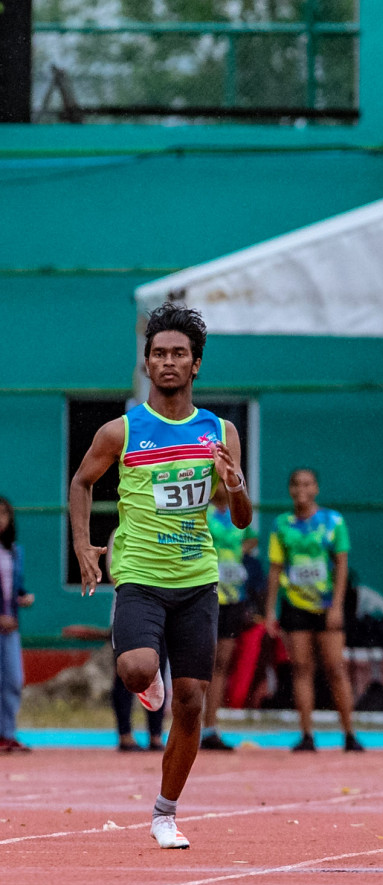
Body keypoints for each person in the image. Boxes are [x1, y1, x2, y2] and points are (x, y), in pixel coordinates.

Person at [69, 303, 253, 849]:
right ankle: (150, 681)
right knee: (134, 670)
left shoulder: (219, 431)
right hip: (140, 576)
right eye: (158, 353)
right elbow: (82, 483)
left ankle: (165, 813)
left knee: (193, 702)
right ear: (147, 363)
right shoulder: (121, 431)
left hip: (197, 578)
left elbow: (241, 519)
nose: (168, 362)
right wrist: (84, 545)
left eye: (179, 354)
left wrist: (235, 484)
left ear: (196, 365)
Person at [263, 468, 363, 753]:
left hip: (327, 604)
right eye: (295, 484)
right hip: (295, 605)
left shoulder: (333, 521)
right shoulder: (282, 524)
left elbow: (342, 564)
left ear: (316, 488)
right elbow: (275, 568)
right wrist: (270, 610)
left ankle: (349, 734)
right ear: (289, 489)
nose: (301, 489)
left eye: (307, 484)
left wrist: (337, 606)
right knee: (301, 668)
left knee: (335, 668)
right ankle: (307, 734)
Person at [204, 485, 258, 751]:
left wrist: (237, 557)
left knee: (222, 662)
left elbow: (252, 537)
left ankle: (210, 727)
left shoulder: (237, 512)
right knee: (202, 661)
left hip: (233, 597)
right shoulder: (201, 510)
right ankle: (191, 723)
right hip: (205, 594)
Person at [0, 496, 35, 752]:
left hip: (11, 626)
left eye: (4, 514)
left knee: (13, 679)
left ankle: (7, 733)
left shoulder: (14, 551)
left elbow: (14, 586)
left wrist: (23, 597)